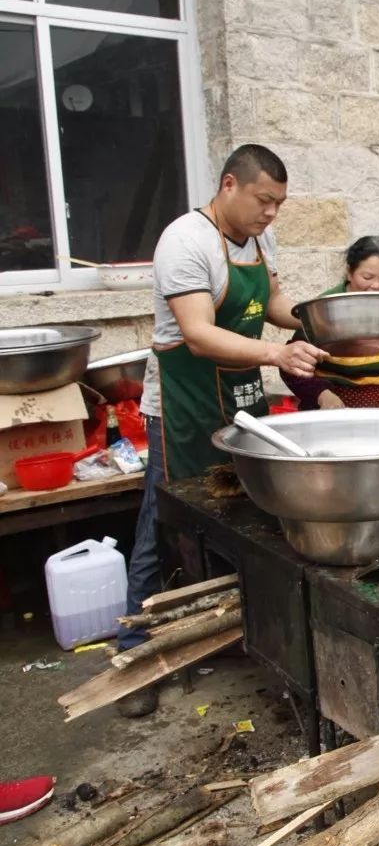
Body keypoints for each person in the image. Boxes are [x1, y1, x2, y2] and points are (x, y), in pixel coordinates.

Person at [117, 144, 327, 718]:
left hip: (240, 398)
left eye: (279, 204)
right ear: (230, 184)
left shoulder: (258, 239)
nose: (271, 214)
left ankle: (237, 632)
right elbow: (198, 334)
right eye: (264, 201)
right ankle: (136, 654)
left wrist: (321, 317)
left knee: (248, 513)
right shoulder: (185, 241)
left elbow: (273, 300)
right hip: (183, 403)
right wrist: (277, 355)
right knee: (162, 524)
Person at [281, 236, 379, 409]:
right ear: (350, 273)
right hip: (329, 407)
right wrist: (322, 394)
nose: (376, 286)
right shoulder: (324, 309)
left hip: (377, 402)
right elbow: (292, 365)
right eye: (367, 277)